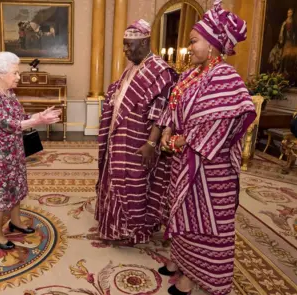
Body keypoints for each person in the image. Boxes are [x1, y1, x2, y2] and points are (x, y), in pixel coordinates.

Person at [155, 1, 256, 294]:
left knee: (203, 223)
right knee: (181, 214)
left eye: (193, 41)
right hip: (183, 162)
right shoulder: (190, 75)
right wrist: (168, 130)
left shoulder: (225, 78)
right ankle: (179, 261)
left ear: (212, 44)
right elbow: (174, 109)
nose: (189, 48)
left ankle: (190, 279)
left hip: (210, 171)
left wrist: (175, 141)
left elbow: (216, 128)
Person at [95, 19, 178, 244]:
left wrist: (151, 144)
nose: (124, 50)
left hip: (139, 140)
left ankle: (132, 231)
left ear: (144, 43)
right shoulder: (133, 68)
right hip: (120, 136)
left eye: (128, 45)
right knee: (115, 179)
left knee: (133, 184)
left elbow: (163, 111)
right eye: (124, 45)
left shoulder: (161, 71)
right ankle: (114, 227)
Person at [0, 52, 61, 249]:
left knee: (15, 186)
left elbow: (20, 115)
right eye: (15, 73)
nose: (18, 77)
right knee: (0, 192)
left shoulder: (9, 93)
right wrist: (37, 121)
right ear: (1, 73)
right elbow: (7, 124)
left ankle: (15, 222)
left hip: (14, 149)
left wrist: (38, 115)